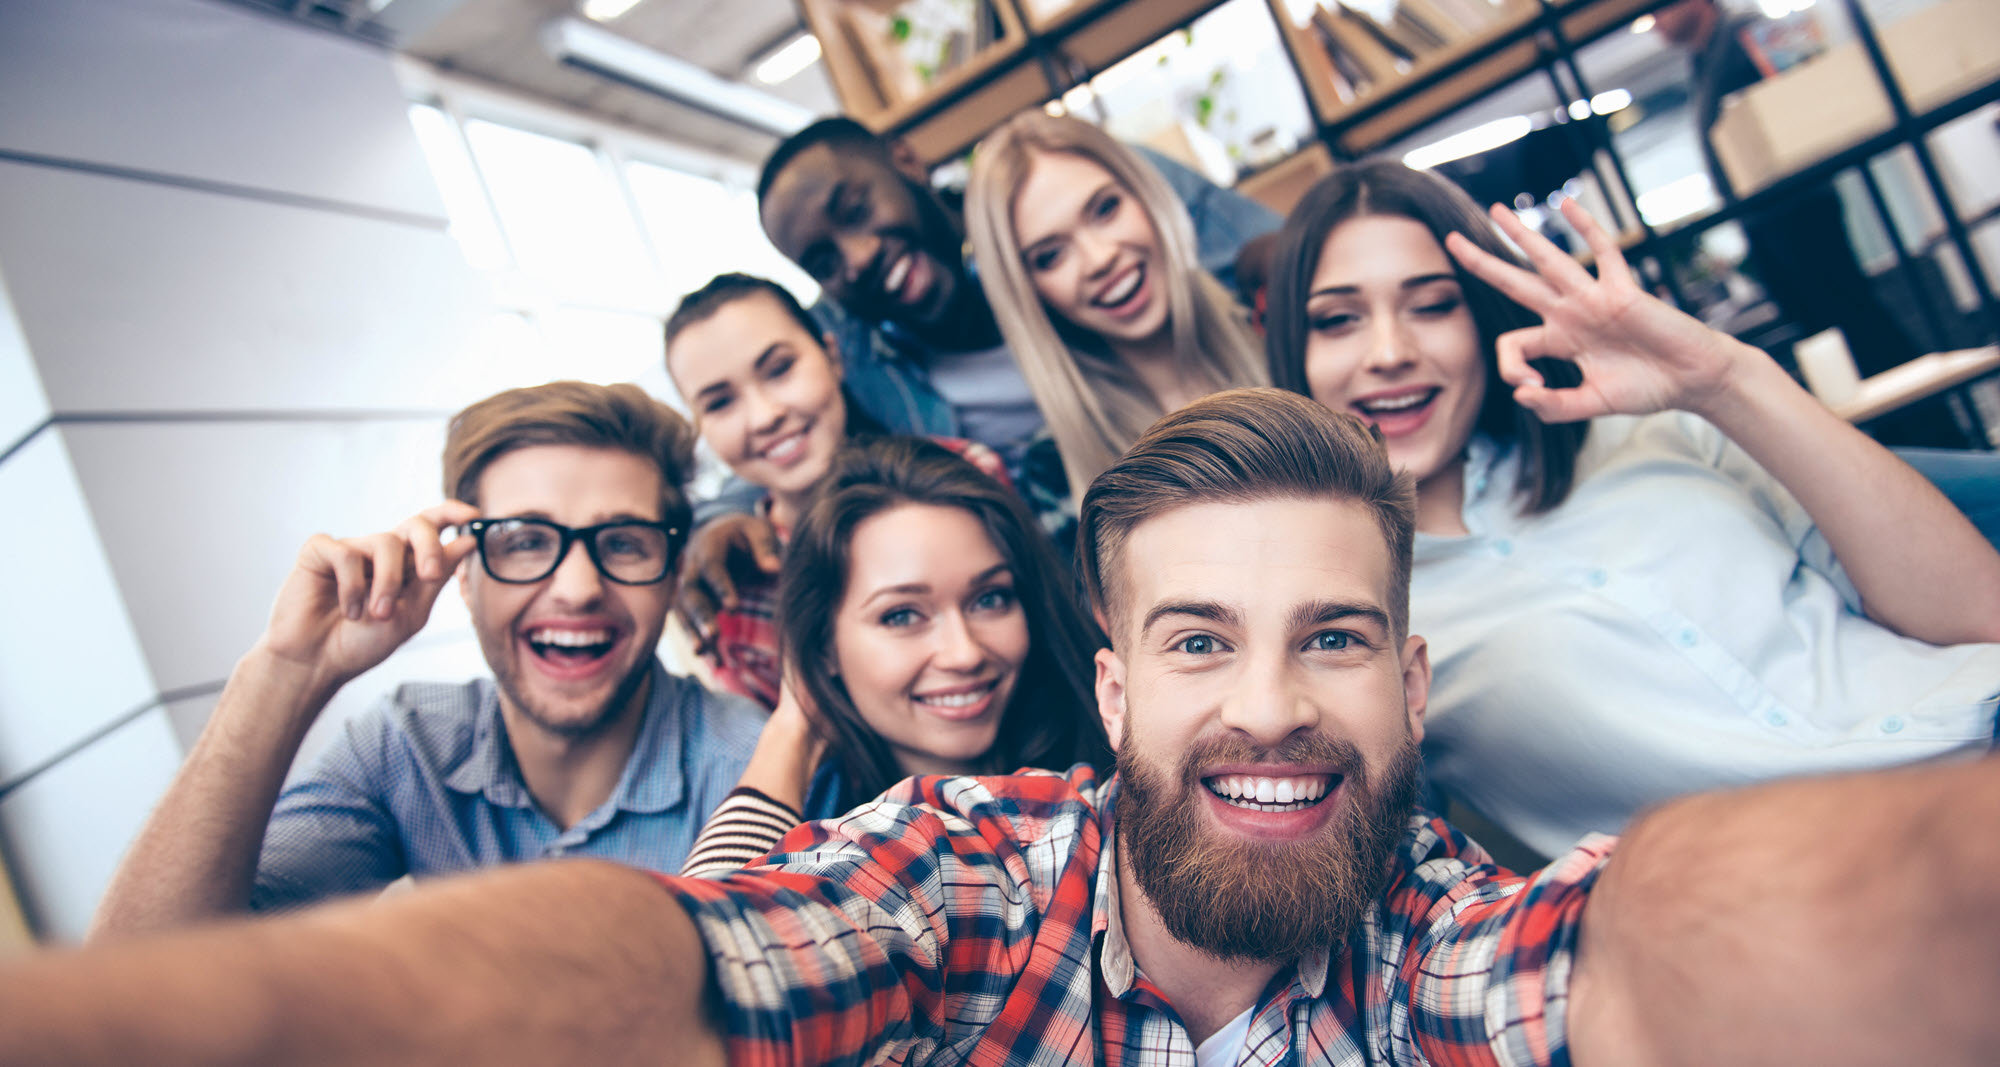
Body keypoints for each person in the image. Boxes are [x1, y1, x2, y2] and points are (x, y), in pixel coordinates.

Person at [12, 389, 2000, 1067]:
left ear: (1414, 683)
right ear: (1118, 686)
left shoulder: (1440, 922)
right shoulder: (955, 862)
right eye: (1200, 640)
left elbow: (1636, 946)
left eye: (1332, 637)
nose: (1269, 700)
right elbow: (690, 959)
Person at [1263, 159, 2000, 858]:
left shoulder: (1650, 430)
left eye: (1432, 306)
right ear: (1297, 351)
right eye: (1338, 320)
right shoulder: (1354, 617)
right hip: (1844, 889)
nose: (1389, 351)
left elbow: (1980, 613)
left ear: (1483, 322)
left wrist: (1723, 380)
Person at [90, 381, 768, 935]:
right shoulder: (409, 746)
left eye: (623, 543)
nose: (577, 588)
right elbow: (150, 976)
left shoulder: (757, 765)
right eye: (525, 541)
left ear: (672, 576)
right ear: (463, 578)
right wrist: (287, 672)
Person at [674, 117, 1282, 642]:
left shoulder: (1045, 202)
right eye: (823, 261)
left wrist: (1274, 270)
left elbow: (1266, 250)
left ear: (906, 161)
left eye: (856, 210)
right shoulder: (849, 345)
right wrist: (720, 516)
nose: (855, 257)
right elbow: (772, 409)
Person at [680, 436, 1111, 875]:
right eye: (901, 615)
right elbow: (717, 913)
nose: (964, 653)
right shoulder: (825, 845)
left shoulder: (1115, 764)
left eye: (990, 599)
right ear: (823, 644)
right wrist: (792, 730)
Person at [662, 272, 1008, 708]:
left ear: (832, 356)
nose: (765, 415)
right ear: (701, 428)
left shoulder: (965, 474)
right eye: (720, 403)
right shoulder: (734, 600)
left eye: (780, 369)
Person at [1652, 0, 1960, 447]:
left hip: (1799, 205)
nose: (1655, 22)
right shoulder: (1702, 60)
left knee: (1854, 318)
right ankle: (1898, 438)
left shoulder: (1745, 33)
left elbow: (1804, 95)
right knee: (1829, 330)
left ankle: (1933, 433)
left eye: (1660, 9)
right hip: (1763, 216)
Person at [964, 110, 1269, 494]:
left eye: (1106, 209)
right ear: (1028, 294)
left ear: (1145, 192)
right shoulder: (1050, 476)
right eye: (1050, 256)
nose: (1100, 258)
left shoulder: (1287, 328)